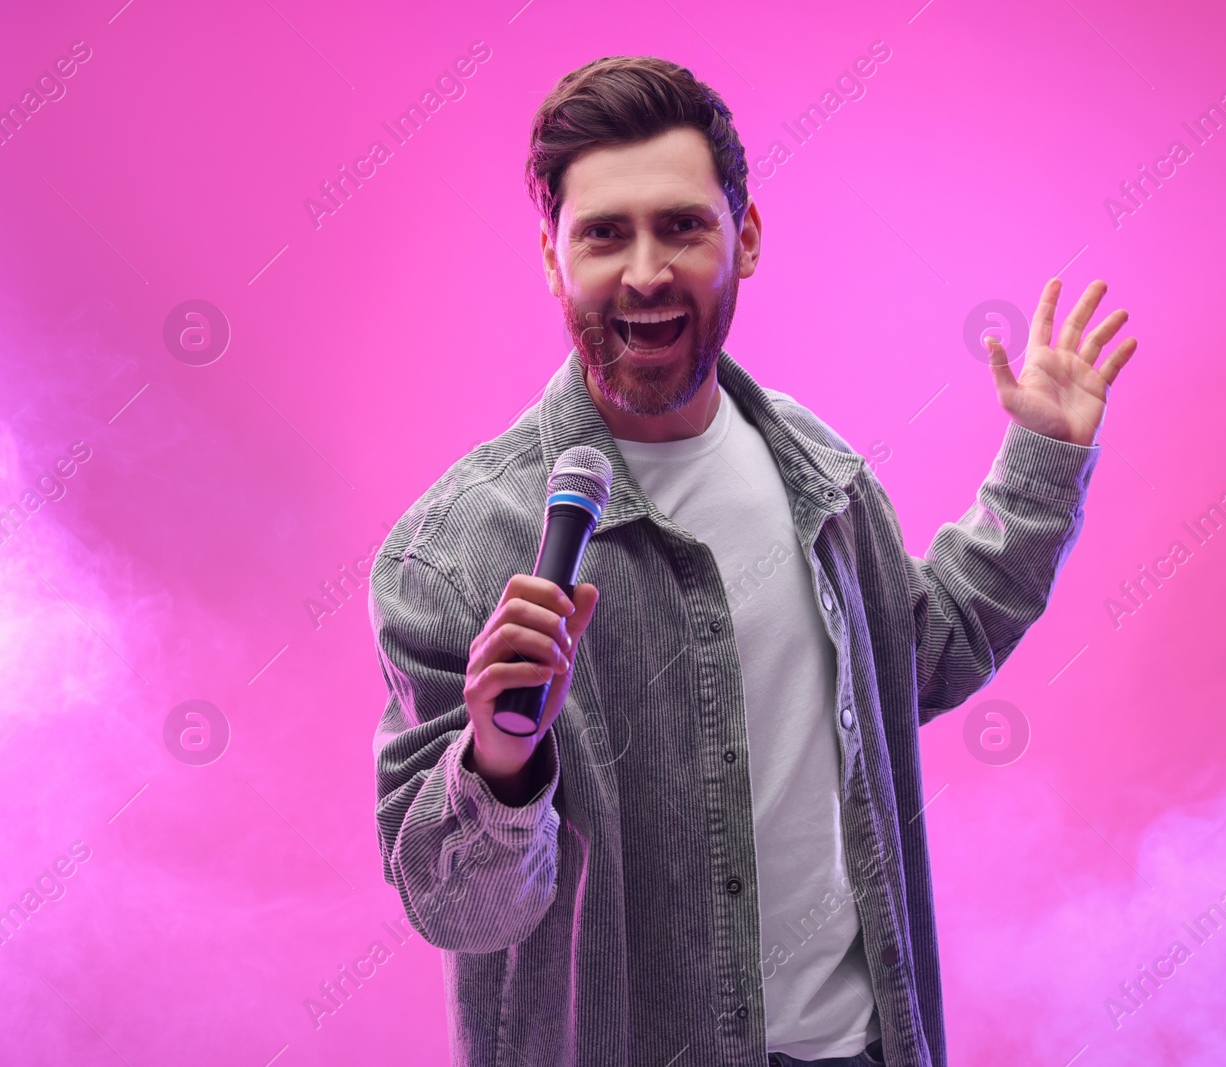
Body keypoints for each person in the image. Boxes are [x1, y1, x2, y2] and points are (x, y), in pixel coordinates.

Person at [368, 55, 1137, 1067]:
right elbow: (458, 908)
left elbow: (920, 656)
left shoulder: (817, 471)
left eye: (682, 225)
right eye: (604, 233)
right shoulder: (455, 554)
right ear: (552, 259)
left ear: (747, 238)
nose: (645, 270)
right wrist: (502, 764)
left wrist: (1042, 461)